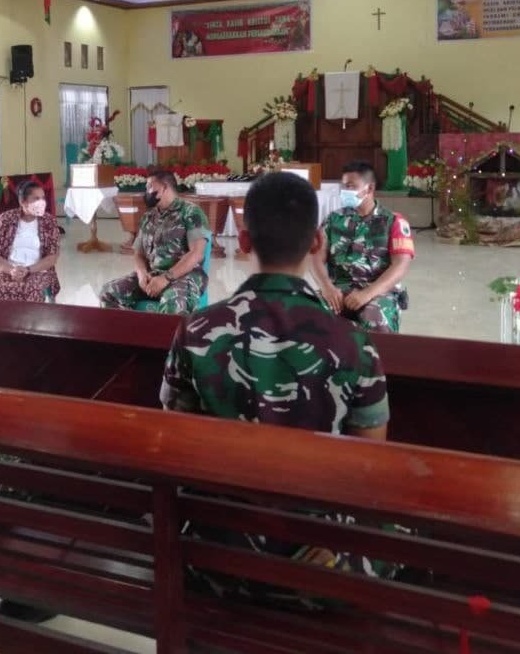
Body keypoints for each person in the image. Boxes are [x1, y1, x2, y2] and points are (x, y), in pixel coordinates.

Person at [160, 171, 396, 606]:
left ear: (244, 240)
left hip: (217, 558)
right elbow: (370, 464)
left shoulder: (195, 330)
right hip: (320, 566)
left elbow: (176, 437)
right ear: (316, 243)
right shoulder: (354, 344)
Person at [310, 161, 414, 334]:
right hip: (337, 291)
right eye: (344, 186)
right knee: (305, 313)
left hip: (378, 293)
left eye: (351, 186)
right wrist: (326, 287)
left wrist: (368, 293)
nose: (345, 191)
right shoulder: (333, 220)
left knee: (376, 320)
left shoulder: (393, 222)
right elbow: (315, 257)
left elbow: (401, 265)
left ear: (370, 188)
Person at [99, 169, 209, 314]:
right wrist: (142, 274)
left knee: (173, 304)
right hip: (152, 275)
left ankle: (166, 330)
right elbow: (138, 254)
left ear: (164, 187)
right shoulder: (148, 217)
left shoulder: (190, 212)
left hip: (183, 276)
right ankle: (130, 328)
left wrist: (166, 278)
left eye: (150, 186)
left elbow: (196, 254)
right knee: (108, 293)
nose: (147, 191)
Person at [0, 180, 60, 302]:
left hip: (37, 270)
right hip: (6, 268)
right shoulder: (5, 219)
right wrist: (11, 270)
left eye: (43, 198)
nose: (41, 202)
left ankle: (29, 316)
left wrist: (28, 270)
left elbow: (52, 257)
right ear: (22, 201)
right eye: (36, 199)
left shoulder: (49, 222)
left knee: (31, 290)